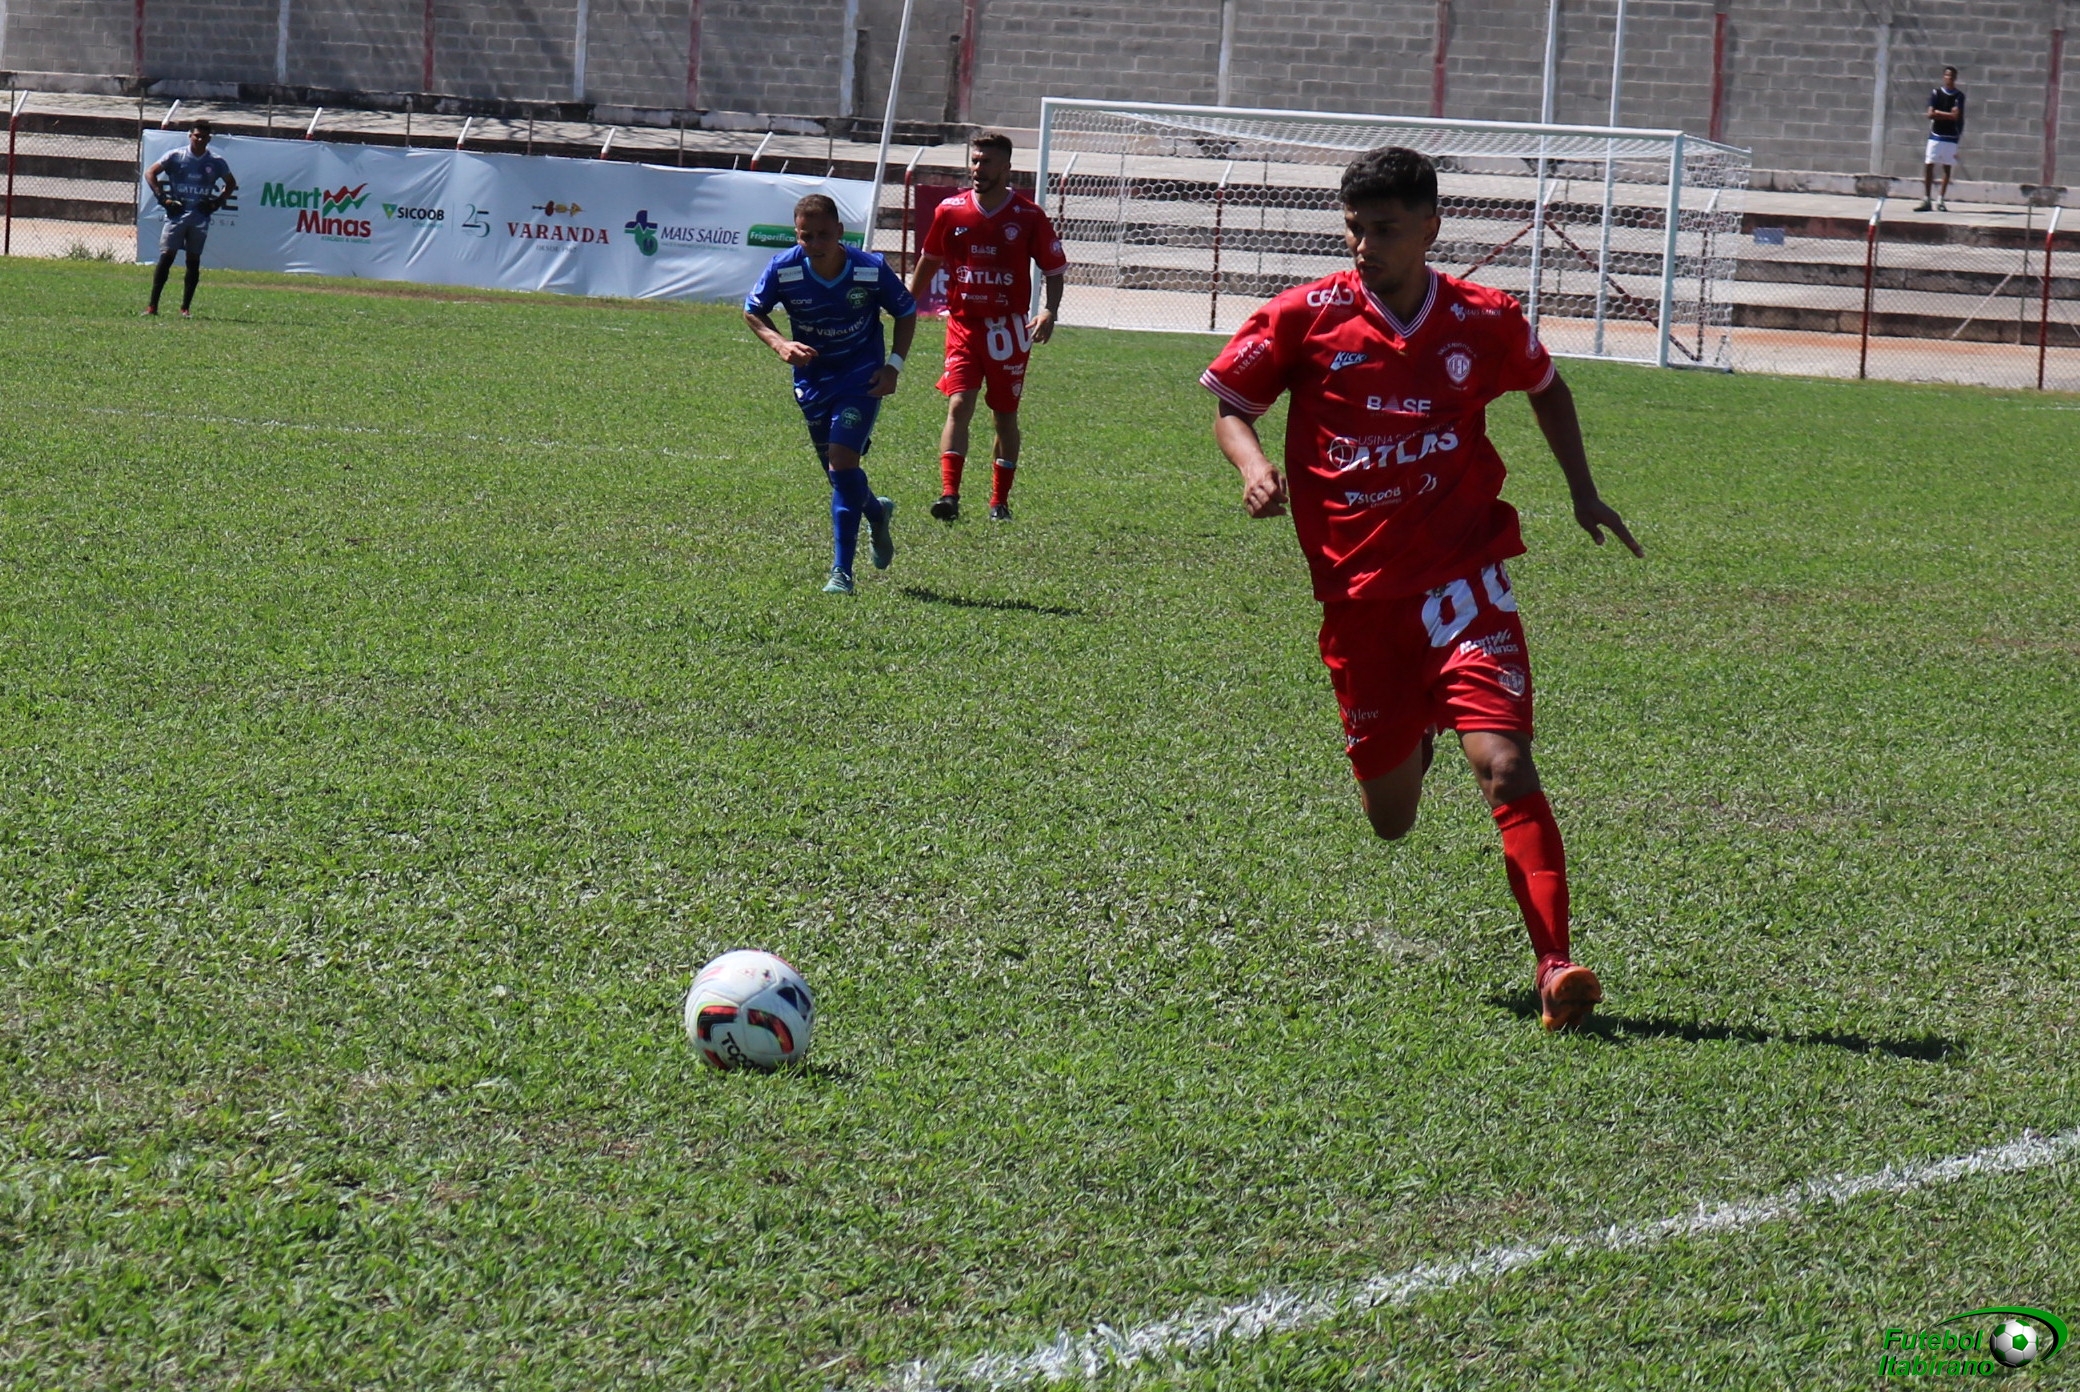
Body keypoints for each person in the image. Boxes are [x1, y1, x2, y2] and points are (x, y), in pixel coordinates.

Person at [1201, 147, 1644, 1032]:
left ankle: (1555, 964)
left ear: (1431, 227)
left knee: (1507, 764)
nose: (1365, 245)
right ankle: (1414, 736)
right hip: (1361, 603)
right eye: (1354, 229)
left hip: (1462, 581)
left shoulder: (1483, 319)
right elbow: (1231, 404)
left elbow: (1548, 388)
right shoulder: (1303, 317)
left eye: (1386, 229)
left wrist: (1582, 489)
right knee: (1390, 819)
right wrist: (1251, 467)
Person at [744, 194, 917, 594]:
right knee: (839, 476)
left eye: (824, 234)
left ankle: (842, 573)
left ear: (840, 231)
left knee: (841, 464)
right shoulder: (784, 268)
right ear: (797, 235)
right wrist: (780, 344)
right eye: (806, 236)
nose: (815, 243)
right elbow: (753, 309)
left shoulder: (869, 268)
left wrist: (893, 366)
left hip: (861, 378)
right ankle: (876, 512)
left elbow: (906, 311)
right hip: (814, 380)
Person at [908, 131, 1068, 522]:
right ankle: (949, 496)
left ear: (1006, 167)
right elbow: (930, 258)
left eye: (987, 162)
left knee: (1004, 416)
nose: (978, 168)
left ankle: (999, 502)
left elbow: (1054, 268)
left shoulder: (1028, 216)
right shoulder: (950, 210)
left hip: (1008, 331)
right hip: (963, 326)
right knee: (959, 404)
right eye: (975, 160)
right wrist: (907, 300)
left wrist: (1050, 310)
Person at [144, 119, 237, 318]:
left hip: (199, 217)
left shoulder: (216, 161)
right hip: (176, 216)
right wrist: (163, 198)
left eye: (204, 137)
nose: (200, 140)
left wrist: (216, 202)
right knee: (167, 256)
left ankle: (185, 308)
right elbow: (150, 172)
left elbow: (230, 183)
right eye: (197, 136)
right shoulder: (176, 156)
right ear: (190, 136)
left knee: (193, 260)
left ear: (209, 139)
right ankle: (152, 306)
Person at [1917, 66, 1965, 212]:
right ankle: (1927, 199)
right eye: (1947, 75)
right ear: (1944, 77)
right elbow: (1930, 114)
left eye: (1952, 75)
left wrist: (1939, 113)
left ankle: (1940, 199)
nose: (1949, 78)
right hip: (1936, 134)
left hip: (1951, 136)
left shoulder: (1959, 96)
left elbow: (1955, 116)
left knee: (1947, 167)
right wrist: (1944, 114)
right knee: (1929, 164)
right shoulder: (1936, 93)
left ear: (1955, 78)